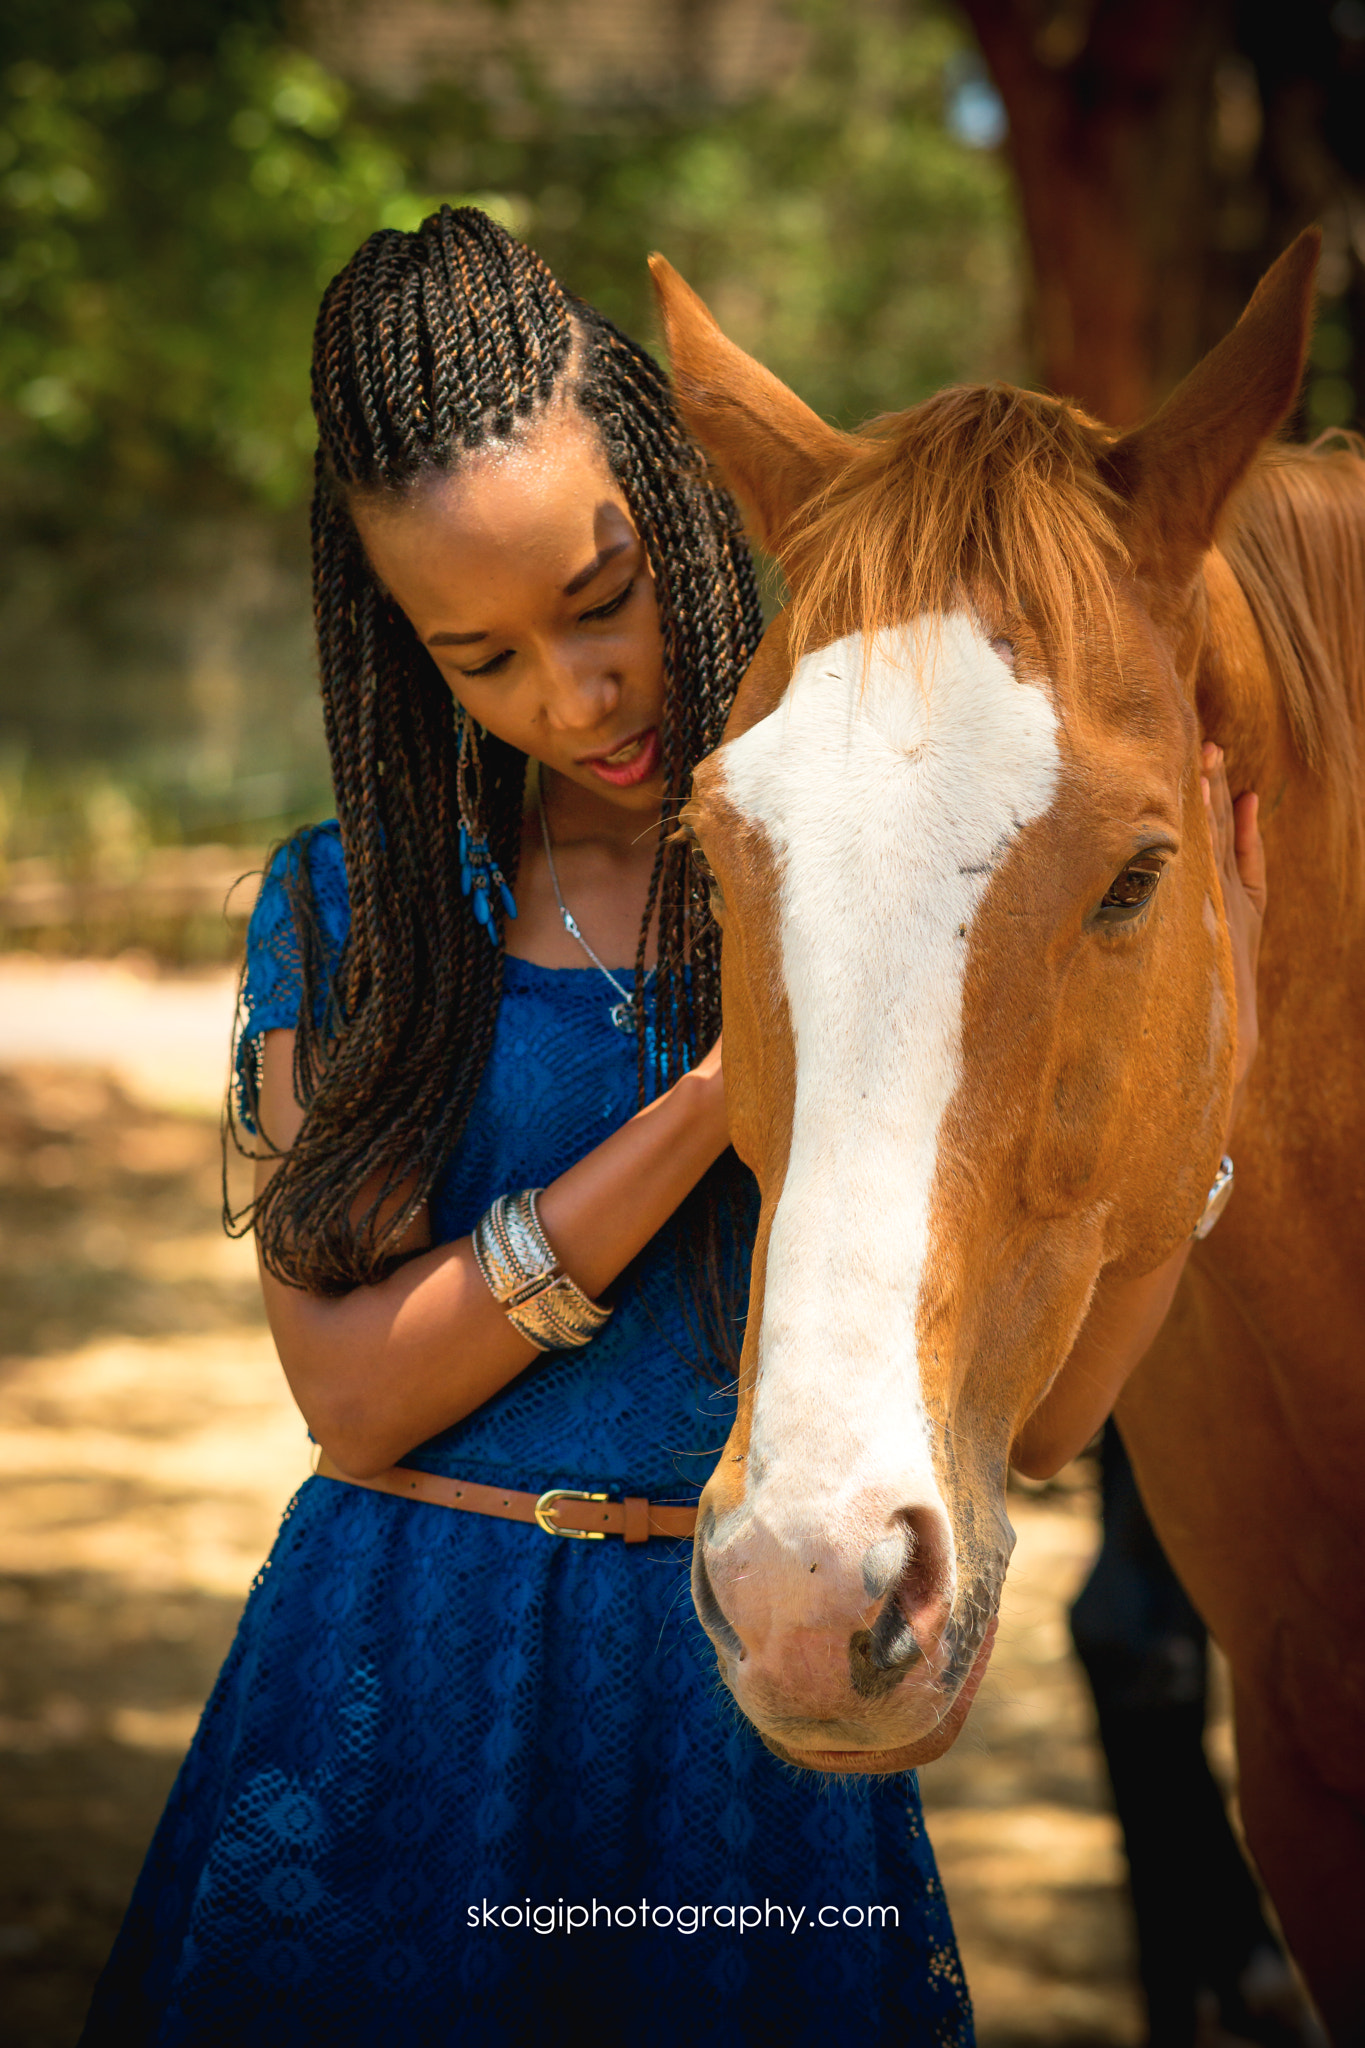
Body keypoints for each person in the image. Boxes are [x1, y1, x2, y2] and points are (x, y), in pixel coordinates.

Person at [80, 206, 1264, 2046]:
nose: (580, 691)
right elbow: (347, 1396)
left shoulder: (848, 890)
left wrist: (1204, 1116)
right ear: (402, 651)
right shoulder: (349, 914)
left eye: (599, 593)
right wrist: (717, 1096)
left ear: (679, 488)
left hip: (736, 1718)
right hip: (398, 1684)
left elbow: (1042, 1425)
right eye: (480, 657)